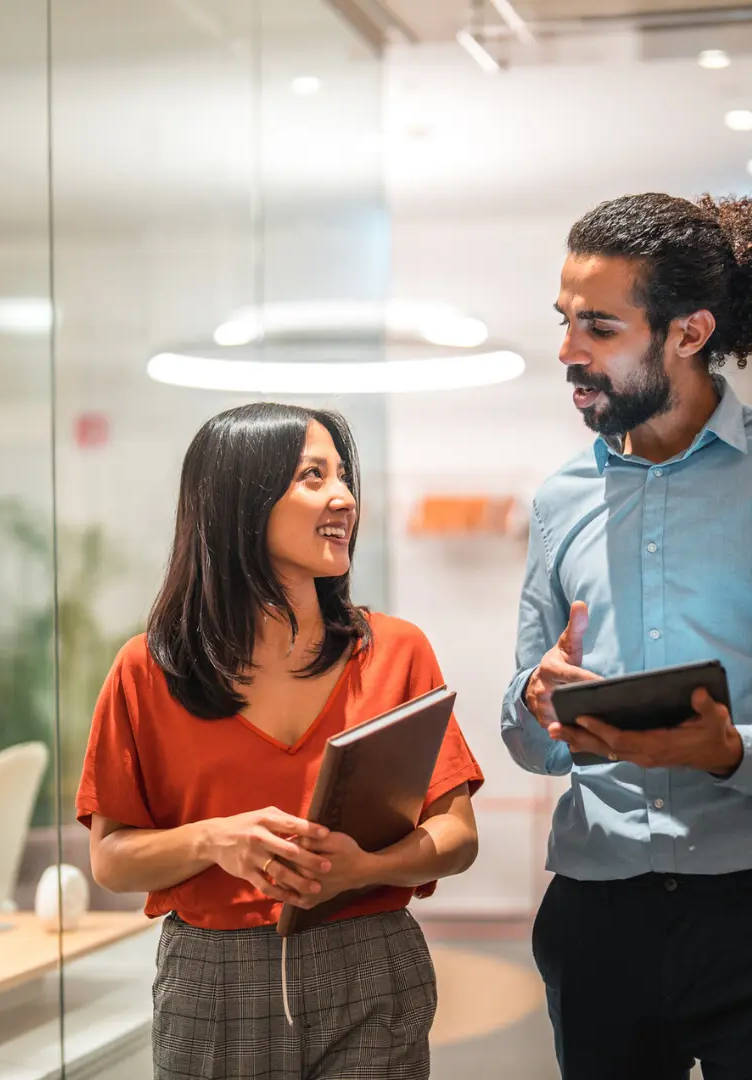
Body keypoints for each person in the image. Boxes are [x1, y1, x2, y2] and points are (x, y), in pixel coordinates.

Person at [501, 192, 752, 1080]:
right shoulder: (559, 499)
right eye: (565, 321)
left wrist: (737, 750)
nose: (569, 351)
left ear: (688, 333)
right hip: (597, 915)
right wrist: (536, 703)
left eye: (600, 327)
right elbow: (527, 734)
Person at [77, 402, 483, 1080]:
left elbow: (458, 837)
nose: (345, 497)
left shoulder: (398, 652)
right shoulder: (147, 671)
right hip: (213, 978)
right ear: (240, 501)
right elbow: (113, 859)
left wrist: (367, 869)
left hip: (373, 962)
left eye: (345, 476)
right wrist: (214, 840)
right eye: (313, 476)